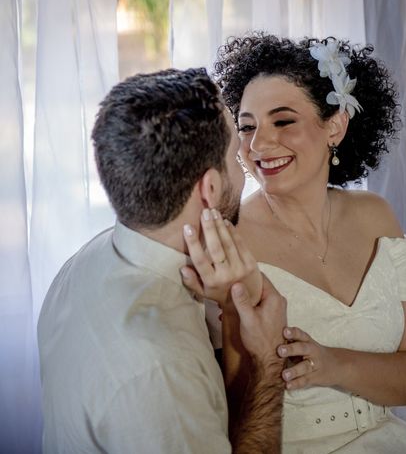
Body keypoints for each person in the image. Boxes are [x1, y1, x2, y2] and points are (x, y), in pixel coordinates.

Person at [37, 68, 288, 454]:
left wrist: (231, 312)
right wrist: (269, 363)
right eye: (235, 161)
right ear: (210, 188)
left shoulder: (85, 261)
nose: (248, 161)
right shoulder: (159, 367)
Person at [213, 33, 406, 453]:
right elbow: (232, 410)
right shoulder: (232, 238)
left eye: (282, 121)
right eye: (246, 127)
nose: (259, 145)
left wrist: (335, 364)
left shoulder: (376, 215)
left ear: (335, 124)